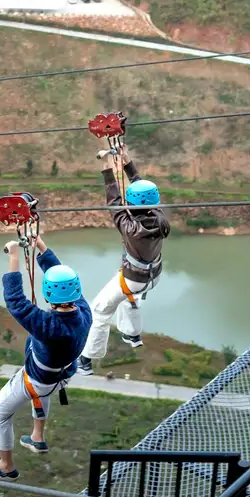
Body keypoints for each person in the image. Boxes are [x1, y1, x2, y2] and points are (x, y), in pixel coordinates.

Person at [0, 235, 91, 481]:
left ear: (48, 296)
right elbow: (62, 280)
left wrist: (14, 256)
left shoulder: (48, 326)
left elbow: (16, 302)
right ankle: (37, 437)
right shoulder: (84, 311)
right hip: (61, 376)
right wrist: (41, 247)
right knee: (41, 392)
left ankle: (5, 466)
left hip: (39, 378)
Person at [79, 145, 170, 376]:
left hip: (133, 278)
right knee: (128, 297)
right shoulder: (159, 217)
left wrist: (105, 165)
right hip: (153, 275)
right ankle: (132, 334)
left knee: (98, 311)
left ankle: (87, 359)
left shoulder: (130, 227)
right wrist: (127, 162)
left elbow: (114, 200)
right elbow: (140, 188)